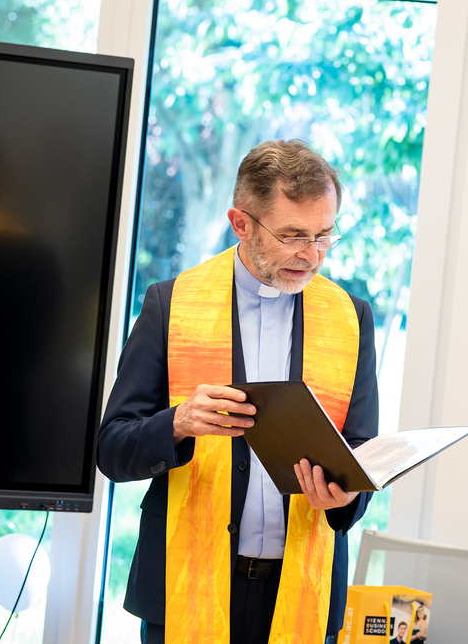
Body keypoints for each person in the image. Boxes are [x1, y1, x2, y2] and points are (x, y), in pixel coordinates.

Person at [96, 140, 379, 644]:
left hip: (303, 592)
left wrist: (347, 494)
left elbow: (359, 452)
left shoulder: (352, 318)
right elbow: (112, 449)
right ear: (241, 223)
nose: (311, 254)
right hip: (183, 586)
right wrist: (177, 423)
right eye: (292, 235)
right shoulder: (169, 305)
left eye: (323, 235)